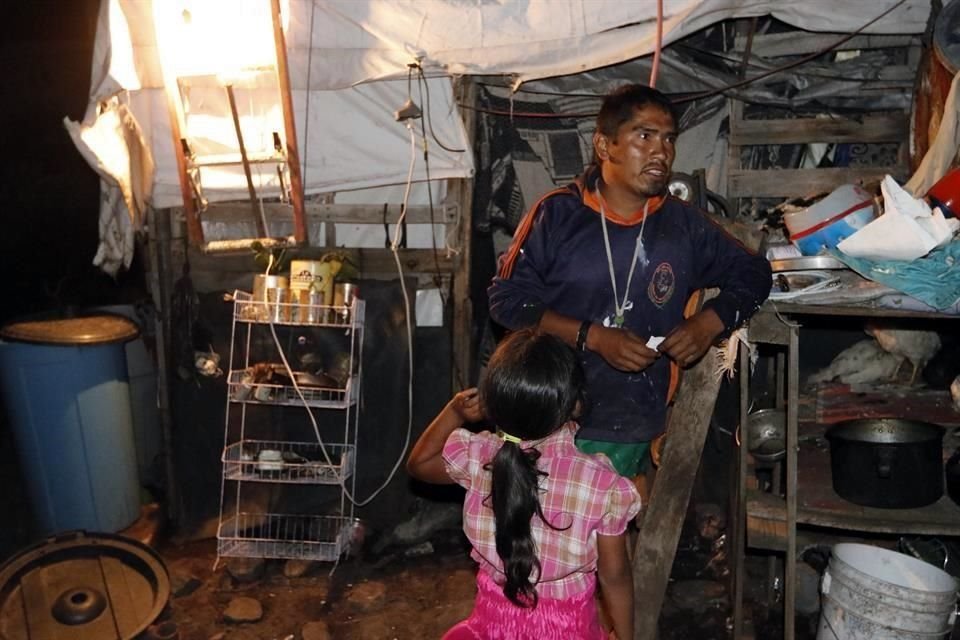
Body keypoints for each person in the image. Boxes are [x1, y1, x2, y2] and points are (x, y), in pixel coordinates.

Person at [487, 84, 772, 479]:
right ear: (605, 147)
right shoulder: (556, 215)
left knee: (610, 531)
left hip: (631, 419)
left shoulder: (683, 224)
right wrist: (593, 337)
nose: (662, 151)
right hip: (546, 414)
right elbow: (507, 302)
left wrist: (709, 322)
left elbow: (755, 271)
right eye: (644, 136)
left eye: (669, 138)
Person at [407, 329, 642, 640]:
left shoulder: (479, 458)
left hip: (492, 627)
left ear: (491, 403)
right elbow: (615, 578)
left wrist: (454, 412)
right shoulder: (600, 485)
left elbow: (419, 464)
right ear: (575, 405)